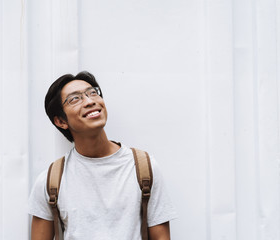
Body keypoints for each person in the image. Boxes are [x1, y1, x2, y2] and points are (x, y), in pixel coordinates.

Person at [28, 71, 177, 240]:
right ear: (61, 121)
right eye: (75, 99)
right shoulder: (50, 181)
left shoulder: (144, 168)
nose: (90, 101)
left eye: (92, 93)